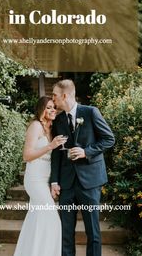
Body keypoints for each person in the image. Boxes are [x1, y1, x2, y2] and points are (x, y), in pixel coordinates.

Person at [51, 80, 115, 256]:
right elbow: (56, 152)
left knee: (93, 232)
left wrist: (86, 152)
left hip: (90, 182)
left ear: (65, 95)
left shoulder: (91, 112)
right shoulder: (58, 119)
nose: (53, 99)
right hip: (67, 184)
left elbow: (109, 139)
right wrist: (54, 180)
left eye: (55, 95)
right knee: (66, 232)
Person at [13, 96, 67, 256]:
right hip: (35, 179)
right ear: (41, 109)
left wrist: (53, 182)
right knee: (53, 220)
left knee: (36, 219)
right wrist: (50, 145)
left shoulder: (52, 128)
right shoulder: (35, 126)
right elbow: (27, 155)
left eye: (54, 108)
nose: (52, 110)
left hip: (46, 180)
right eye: (48, 107)